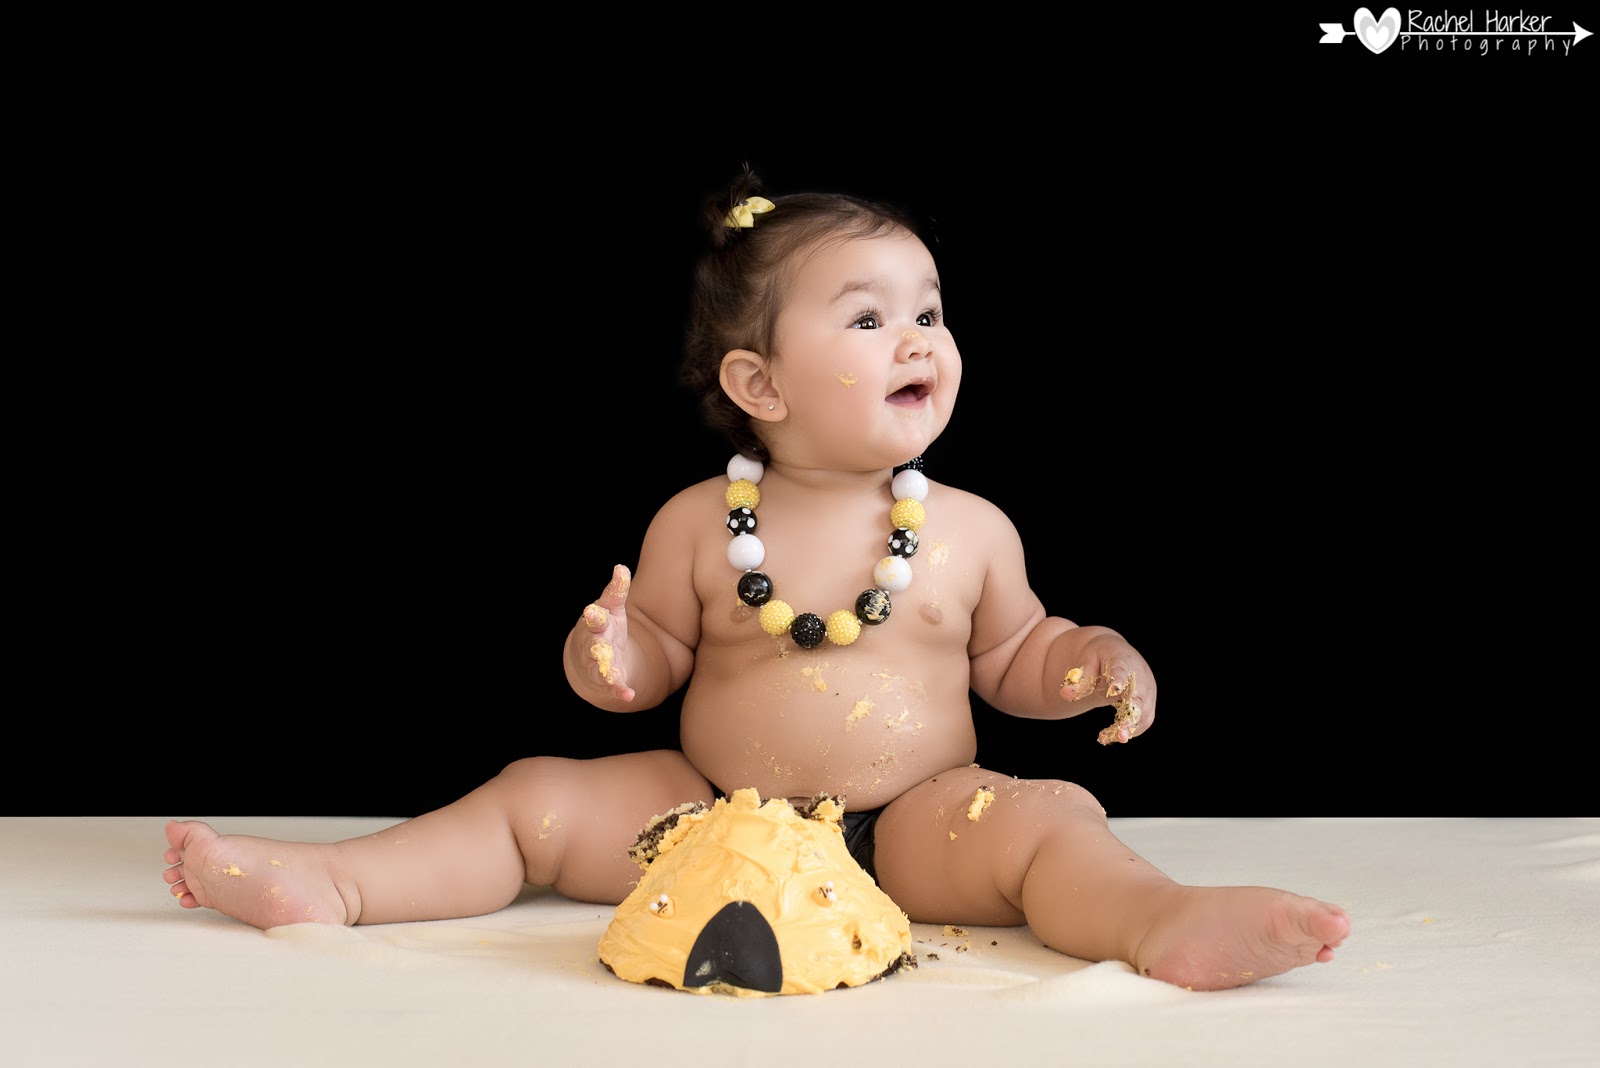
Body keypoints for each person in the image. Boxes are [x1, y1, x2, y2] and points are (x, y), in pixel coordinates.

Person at [162, 168, 1350, 991]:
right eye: (869, 319)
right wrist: (609, 657)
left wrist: (1086, 661)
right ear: (760, 385)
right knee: (534, 798)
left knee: (1050, 822)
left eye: (929, 312)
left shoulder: (968, 529)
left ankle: (1158, 921)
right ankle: (338, 881)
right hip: (710, 816)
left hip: (916, 825)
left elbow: (1014, 655)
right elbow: (651, 667)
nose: (918, 339)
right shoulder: (698, 522)